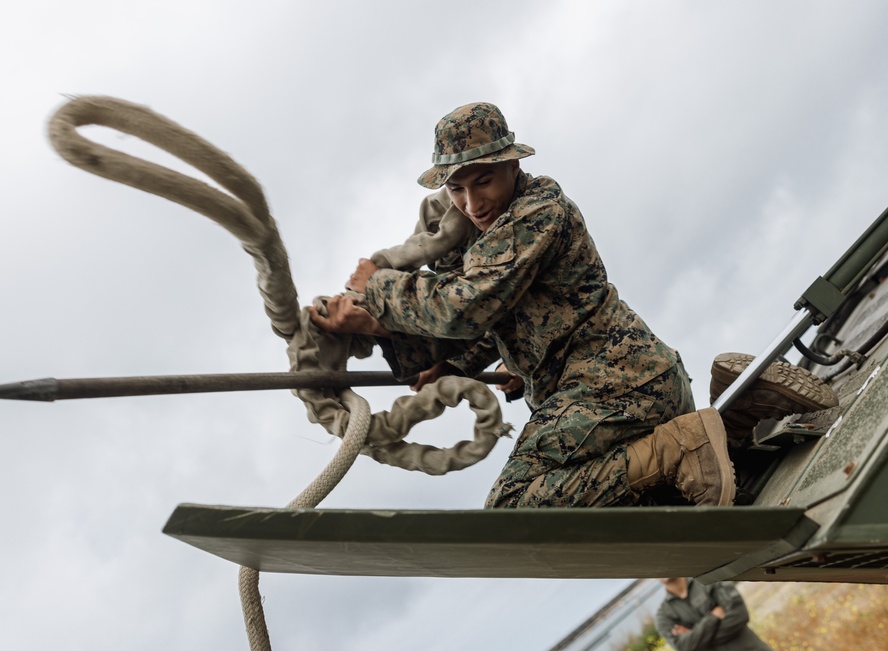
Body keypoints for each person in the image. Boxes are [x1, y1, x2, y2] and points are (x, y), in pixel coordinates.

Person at [308, 102, 833, 508]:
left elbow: (464, 307)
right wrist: (427, 354)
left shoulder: (539, 210)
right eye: (458, 190)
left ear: (512, 164)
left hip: (617, 387)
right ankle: (739, 412)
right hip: (617, 389)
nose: (473, 204)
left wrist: (377, 290)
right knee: (643, 496)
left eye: (484, 180)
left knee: (518, 506)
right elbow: (475, 326)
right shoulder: (479, 237)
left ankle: (682, 444)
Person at [655, 577, 790, 651]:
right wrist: (713, 618)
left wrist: (697, 637)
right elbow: (685, 648)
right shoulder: (664, 616)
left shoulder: (709, 581)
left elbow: (739, 615)